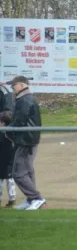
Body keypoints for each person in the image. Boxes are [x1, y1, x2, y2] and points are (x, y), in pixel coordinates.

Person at [6, 76, 45, 210]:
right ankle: (31, 199)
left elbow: (20, 122)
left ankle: (36, 198)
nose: (12, 89)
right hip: (28, 140)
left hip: (26, 141)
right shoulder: (26, 98)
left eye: (14, 86)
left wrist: (6, 130)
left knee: (19, 173)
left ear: (22, 85)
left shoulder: (24, 100)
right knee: (27, 172)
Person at [0, 111, 16, 208]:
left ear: (3, 122)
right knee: (10, 179)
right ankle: (12, 198)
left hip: (4, 159)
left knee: (4, 179)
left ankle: (11, 199)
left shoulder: (3, 133)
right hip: (10, 159)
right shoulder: (12, 132)